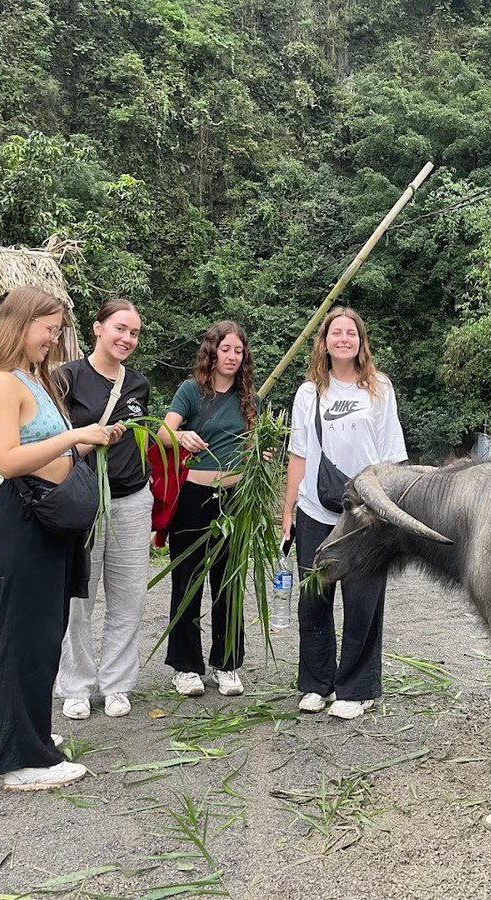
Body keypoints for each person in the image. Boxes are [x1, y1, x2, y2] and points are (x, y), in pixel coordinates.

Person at [0, 286, 114, 791]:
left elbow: (48, 449)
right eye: (48, 328)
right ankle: (25, 761)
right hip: (24, 519)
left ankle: (8, 734)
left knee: (38, 636)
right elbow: (5, 458)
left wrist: (89, 440)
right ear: (21, 323)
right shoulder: (0, 382)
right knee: (28, 638)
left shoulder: (34, 378)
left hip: (49, 523)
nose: (54, 338)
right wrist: (74, 436)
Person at [281, 307, 407, 720]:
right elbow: (298, 455)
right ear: (325, 341)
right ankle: (316, 683)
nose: (343, 339)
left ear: (360, 341)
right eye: (336, 332)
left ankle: (358, 687)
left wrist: (392, 511)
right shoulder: (308, 393)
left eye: (350, 333)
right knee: (313, 599)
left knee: (363, 599)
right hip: (316, 509)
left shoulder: (380, 388)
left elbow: (392, 456)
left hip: (368, 512)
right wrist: (288, 514)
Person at [54, 299, 152, 721]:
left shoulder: (139, 385)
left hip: (132, 498)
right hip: (84, 501)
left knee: (129, 597)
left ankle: (117, 685)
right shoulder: (67, 377)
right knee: (79, 597)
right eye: (119, 329)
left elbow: (145, 438)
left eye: (133, 333)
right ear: (98, 328)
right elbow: (53, 440)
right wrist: (89, 437)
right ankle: (75, 684)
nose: (126, 339)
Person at [160, 320, 261, 698]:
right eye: (226, 349)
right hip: (193, 498)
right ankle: (186, 666)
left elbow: (252, 446)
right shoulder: (191, 391)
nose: (232, 357)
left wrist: (261, 454)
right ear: (212, 351)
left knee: (230, 581)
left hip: (237, 500)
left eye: (238, 350)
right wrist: (180, 435)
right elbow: (162, 432)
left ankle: (228, 663)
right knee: (187, 579)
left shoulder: (250, 397)